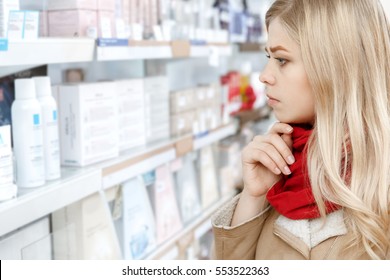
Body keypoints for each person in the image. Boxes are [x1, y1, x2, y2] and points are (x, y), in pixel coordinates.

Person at [212, 0, 390, 260]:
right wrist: (252, 198)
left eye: (282, 59)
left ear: (335, 68)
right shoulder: (281, 166)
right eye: (268, 57)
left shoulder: (380, 184)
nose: (264, 75)